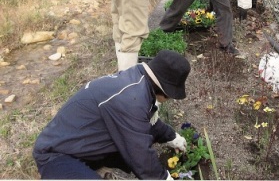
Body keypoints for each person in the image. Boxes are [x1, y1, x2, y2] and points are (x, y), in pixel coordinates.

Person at [33, 50, 191, 180]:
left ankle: (93, 167)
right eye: (171, 94)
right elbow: (139, 153)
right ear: (163, 88)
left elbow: (146, 123)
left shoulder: (138, 80)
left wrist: (171, 136)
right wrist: (163, 178)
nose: (169, 98)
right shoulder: (132, 99)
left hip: (81, 145)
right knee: (137, 152)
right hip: (56, 155)